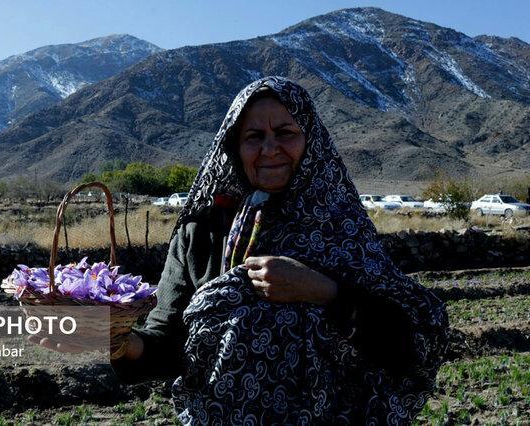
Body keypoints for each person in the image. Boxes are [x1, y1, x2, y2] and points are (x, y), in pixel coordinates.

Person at [110, 76, 449, 424]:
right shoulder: (201, 233)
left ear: (310, 141)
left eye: (285, 133)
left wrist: (324, 291)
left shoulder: (342, 228)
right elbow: (168, 344)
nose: (270, 148)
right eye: (253, 137)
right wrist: (118, 340)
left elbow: (406, 344)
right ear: (234, 149)